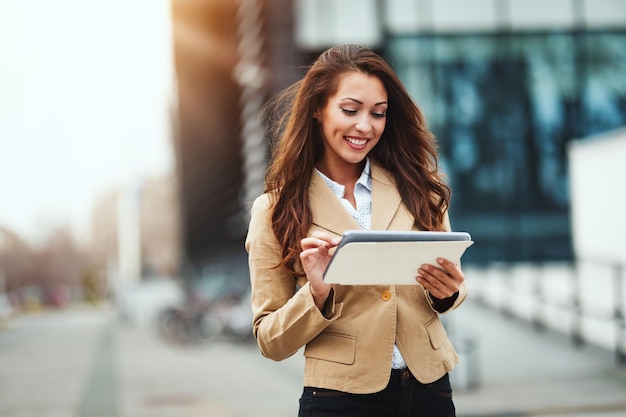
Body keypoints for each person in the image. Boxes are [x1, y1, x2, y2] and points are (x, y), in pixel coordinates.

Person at [245, 44, 467, 417]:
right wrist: (316, 293)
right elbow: (270, 340)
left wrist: (448, 291)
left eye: (378, 114)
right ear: (318, 109)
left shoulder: (418, 187)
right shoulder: (274, 210)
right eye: (350, 110)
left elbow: (450, 285)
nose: (365, 126)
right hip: (341, 399)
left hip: (429, 390)